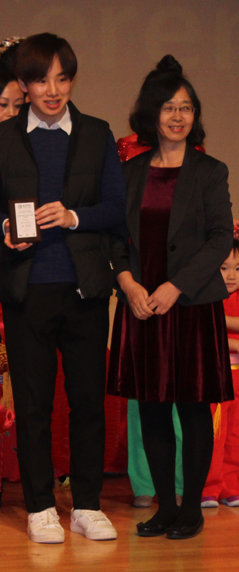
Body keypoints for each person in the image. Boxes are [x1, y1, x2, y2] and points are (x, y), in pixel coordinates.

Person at [0, 32, 126, 544]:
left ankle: (87, 503)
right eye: (41, 80)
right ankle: (41, 505)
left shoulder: (96, 133)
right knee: (37, 403)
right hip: (26, 288)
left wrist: (73, 216)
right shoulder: (0, 139)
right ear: (23, 84)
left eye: (62, 78)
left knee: (88, 401)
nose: (53, 89)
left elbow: (116, 207)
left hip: (85, 287)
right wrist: (2, 229)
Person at [108, 56, 233, 540]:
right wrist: (129, 284)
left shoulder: (209, 170)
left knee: (192, 407)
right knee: (152, 409)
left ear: (195, 115)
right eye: (167, 108)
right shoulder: (130, 172)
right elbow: (115, 239)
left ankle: (191, 509)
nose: (177, 116)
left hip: (190, 304)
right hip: (142, 304)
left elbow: (221, 236)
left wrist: (175, 285)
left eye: (185, 108)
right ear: (151, 115)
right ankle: (164, 506)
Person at [201, 241, 239, 508]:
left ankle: (231, 485)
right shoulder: (207, 298)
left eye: (238, 268)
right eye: (224, 267)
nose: (231, 275)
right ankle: (207, 487)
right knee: (213, 434)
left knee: (236, 435)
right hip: (215, 374)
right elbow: (205, 332)